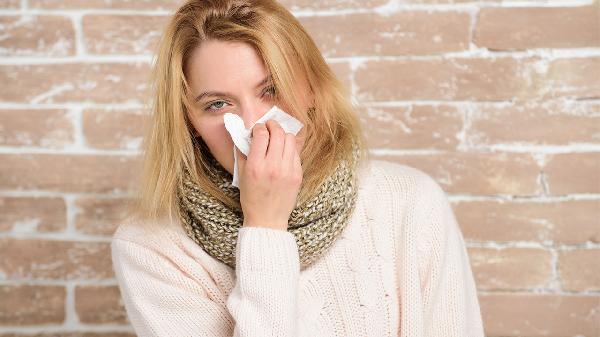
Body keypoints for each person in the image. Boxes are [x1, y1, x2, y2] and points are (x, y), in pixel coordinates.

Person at [110, 0, 485, 336]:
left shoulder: (409, 203)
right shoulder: (151, 247)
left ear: (311, 91)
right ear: (188, 122)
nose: (256, 125)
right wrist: (266, 227)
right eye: (218, 104)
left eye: (271, 89)